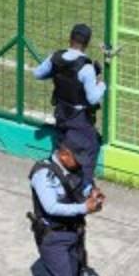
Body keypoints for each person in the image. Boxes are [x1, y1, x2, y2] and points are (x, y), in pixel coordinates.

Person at [33, 24, 106, 188]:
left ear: (70, 38)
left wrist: (58, 72)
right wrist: (102, 84)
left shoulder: (55, 57)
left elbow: (38, 73)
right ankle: (85, 188)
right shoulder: (86, 68)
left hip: (60, 113)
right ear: (87, 43)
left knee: (63, 148)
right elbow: (93, 98)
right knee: (91, 147)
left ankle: (56, 180)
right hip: (78, 119)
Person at [28, 128, 106, 276]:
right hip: (53, 238)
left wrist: (92, 194)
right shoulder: (43, 175)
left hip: (73, 232)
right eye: (77, 159)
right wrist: (84, 208)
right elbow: (51, 207)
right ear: (64, 154)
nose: (80, 163)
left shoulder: (73, 168)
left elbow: (80, 187)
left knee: (70, 275)